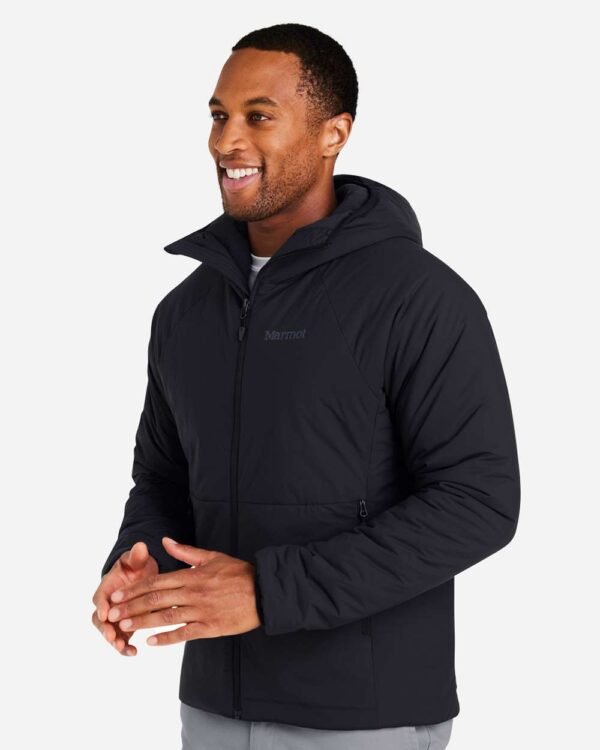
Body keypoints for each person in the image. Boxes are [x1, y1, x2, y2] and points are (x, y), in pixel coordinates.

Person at [92, 22, 520, 750]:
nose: (227, 141)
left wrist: (268, 590)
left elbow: (478, 502)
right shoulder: (185, 312)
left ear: (334, 133)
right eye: (219, 115)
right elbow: (163, 478)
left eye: (259, 116)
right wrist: (142, 560)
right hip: (214, 707)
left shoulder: (418, 297)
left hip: (363, 715)